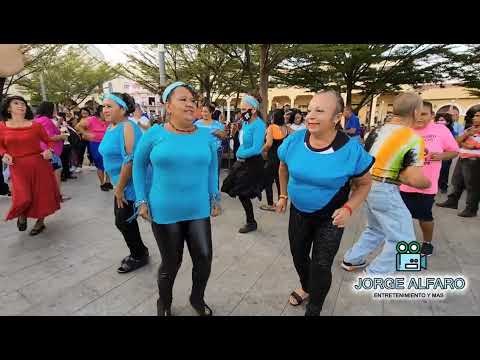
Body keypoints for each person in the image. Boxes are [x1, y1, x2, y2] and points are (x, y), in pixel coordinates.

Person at [276, 90, 373, 316]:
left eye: (320, 111)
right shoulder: (294, 140)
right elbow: (283, 167)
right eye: (310, 109)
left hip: (331, 218)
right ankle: (307, 286)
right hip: (299, 213)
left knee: (321, 265)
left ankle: (315, 307)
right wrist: (282, 196)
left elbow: (364, 184)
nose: (311, 115)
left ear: (337, 118)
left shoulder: (351, 150)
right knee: (298, 255)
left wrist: (349, 208)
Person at [133, 81, 221, 316]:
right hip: (165, 208)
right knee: (171, 263)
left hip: (198, 207)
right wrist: (141, 200)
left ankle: (197, 298)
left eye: (193, 100)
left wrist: (215, 197)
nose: (190, 104)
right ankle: (164, 303)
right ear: (168, 106)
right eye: (183, 99)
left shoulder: (206, 136)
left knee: (204, 258)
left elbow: (213, 169)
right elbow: (139, 166)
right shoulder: (154, 134)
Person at [342, 92, 431, 275]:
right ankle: (376, 273)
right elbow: (413, 178)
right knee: (404, 240)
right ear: (415, 112)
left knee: (375, 228)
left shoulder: (376, 130)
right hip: (385, 188)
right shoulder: (413, 138)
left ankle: (351, 259)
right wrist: (428, 183)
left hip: (365, 185)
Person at [99, 92, 150, 274]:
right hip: (119, 183)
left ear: (122, 109)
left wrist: (119, 188)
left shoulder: (127, 126)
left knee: (123, 221)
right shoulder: (111, 126)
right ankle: (139, 251)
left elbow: (129, 160)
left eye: (109, 106)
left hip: (130, 184)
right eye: (103, 106)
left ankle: (139, 255)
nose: (105, 109)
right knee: (123, 221)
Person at [399, 102, 459, 256]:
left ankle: (427, 242)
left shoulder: (440, 130)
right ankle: (401, 242)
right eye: (416, 113)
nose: (419, 117)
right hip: (402, 183)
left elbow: (453, 151)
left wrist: (440, 156)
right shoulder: (404, 130)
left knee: (424, 217)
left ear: (432, 115)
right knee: (400, 217)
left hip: (425, 185)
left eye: (424, 114)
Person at [0, 96, 61, 236]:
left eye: (23, 103)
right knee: (23, 196)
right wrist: (4, 154)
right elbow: (1, 146)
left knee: (42, 196)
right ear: (8, 108)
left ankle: (40, 223)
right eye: (16, 103)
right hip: (18, 166)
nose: (21, 105)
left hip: (39, 164)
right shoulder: (2, 126)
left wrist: (49, 150)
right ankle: (22, 214)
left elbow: (49, 141)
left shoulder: (35, 125)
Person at [221, 93, 266, 233]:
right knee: (233, 187)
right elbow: (243, 143)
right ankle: (251, 220)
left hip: (253, 163)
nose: (241, 112)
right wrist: (239, 153)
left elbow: (257, 148)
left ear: (253, 109)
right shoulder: (246, 123)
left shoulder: (259, 125)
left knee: (242, 192)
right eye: (241, 109)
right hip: (243, 162)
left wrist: (240, 154)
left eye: (243, 109)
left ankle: (251, 222)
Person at [436, 110, 480, 217]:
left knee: (472, 186)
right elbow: (457, 142)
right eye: (474, 116)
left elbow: (473, 145)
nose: (474, 118)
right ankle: (452, 202)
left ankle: (471, 209)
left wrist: (467, 143)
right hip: (462, 157)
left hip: (475, 160)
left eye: (478, 116)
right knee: (456, 182)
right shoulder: (469, 129)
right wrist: (467, 135)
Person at [34, 101, 71, 202]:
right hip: (50, 151)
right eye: (54, 108)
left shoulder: (38, 119)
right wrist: (62, 136)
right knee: (56, 173)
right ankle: (57, 196)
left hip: (42, 151)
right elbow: (49, 137)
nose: (56, 110)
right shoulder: (46, 120)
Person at [76, 106, 112, 191]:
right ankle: (102, 183)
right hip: (96, 144)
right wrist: (86, 133)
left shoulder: (108, 120)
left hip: (107, 143)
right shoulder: (92, 119)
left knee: (108, 162)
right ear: (100, 113)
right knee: (100, 163)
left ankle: (108, 182)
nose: (107, 114)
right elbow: (78, 126)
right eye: (105, 112)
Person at [260, 109, 288, 211]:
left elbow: (269, 144)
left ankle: (270, 204)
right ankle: (282, 203)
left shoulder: (271, 128)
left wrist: (261, 150)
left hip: (271, 158)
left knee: (268, 181)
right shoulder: (286, 128)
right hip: (282, 158)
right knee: (279, 181)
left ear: (273, 117)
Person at [195, 103, 227, 182]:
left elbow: (224, 136)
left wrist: (217, 133)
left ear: (211, 112)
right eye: (202, 111)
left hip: (216, 152)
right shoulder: (197, 124)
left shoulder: (218, 124)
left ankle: (214, 193)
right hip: (201, 152)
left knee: (214, 174)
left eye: (206, 112)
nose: (203, 114)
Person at [435, 112, 455, 193]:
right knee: (436, 170)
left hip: (446, 154)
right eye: (438, 120)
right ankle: (435, 185)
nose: (439, 122)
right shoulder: (434, 130)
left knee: (444, 171)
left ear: (448, 122)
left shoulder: (450, 131)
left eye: (442, 120)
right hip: (435, 154)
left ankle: (443, 186)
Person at [57, 112, 77, 182]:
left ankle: (67, 173)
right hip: (61, 144)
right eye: (60, 117)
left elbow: (69, 132)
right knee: (62, 160)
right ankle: (63, 175)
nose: (62, 118)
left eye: (63, 117)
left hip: (67, 143)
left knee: (67, 160)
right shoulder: (56, 123)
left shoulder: (65, 124)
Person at [73, 107, 92, 172]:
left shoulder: (92, 119)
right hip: (82, 138)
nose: (84, 114)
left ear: (88, 113)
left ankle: (92, 163)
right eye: (83, 113)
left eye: (85, 112)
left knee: (91, 151)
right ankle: (79, 165)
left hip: (90, 137)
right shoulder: (79, 119)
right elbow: (75, 127)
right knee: (80, 151)